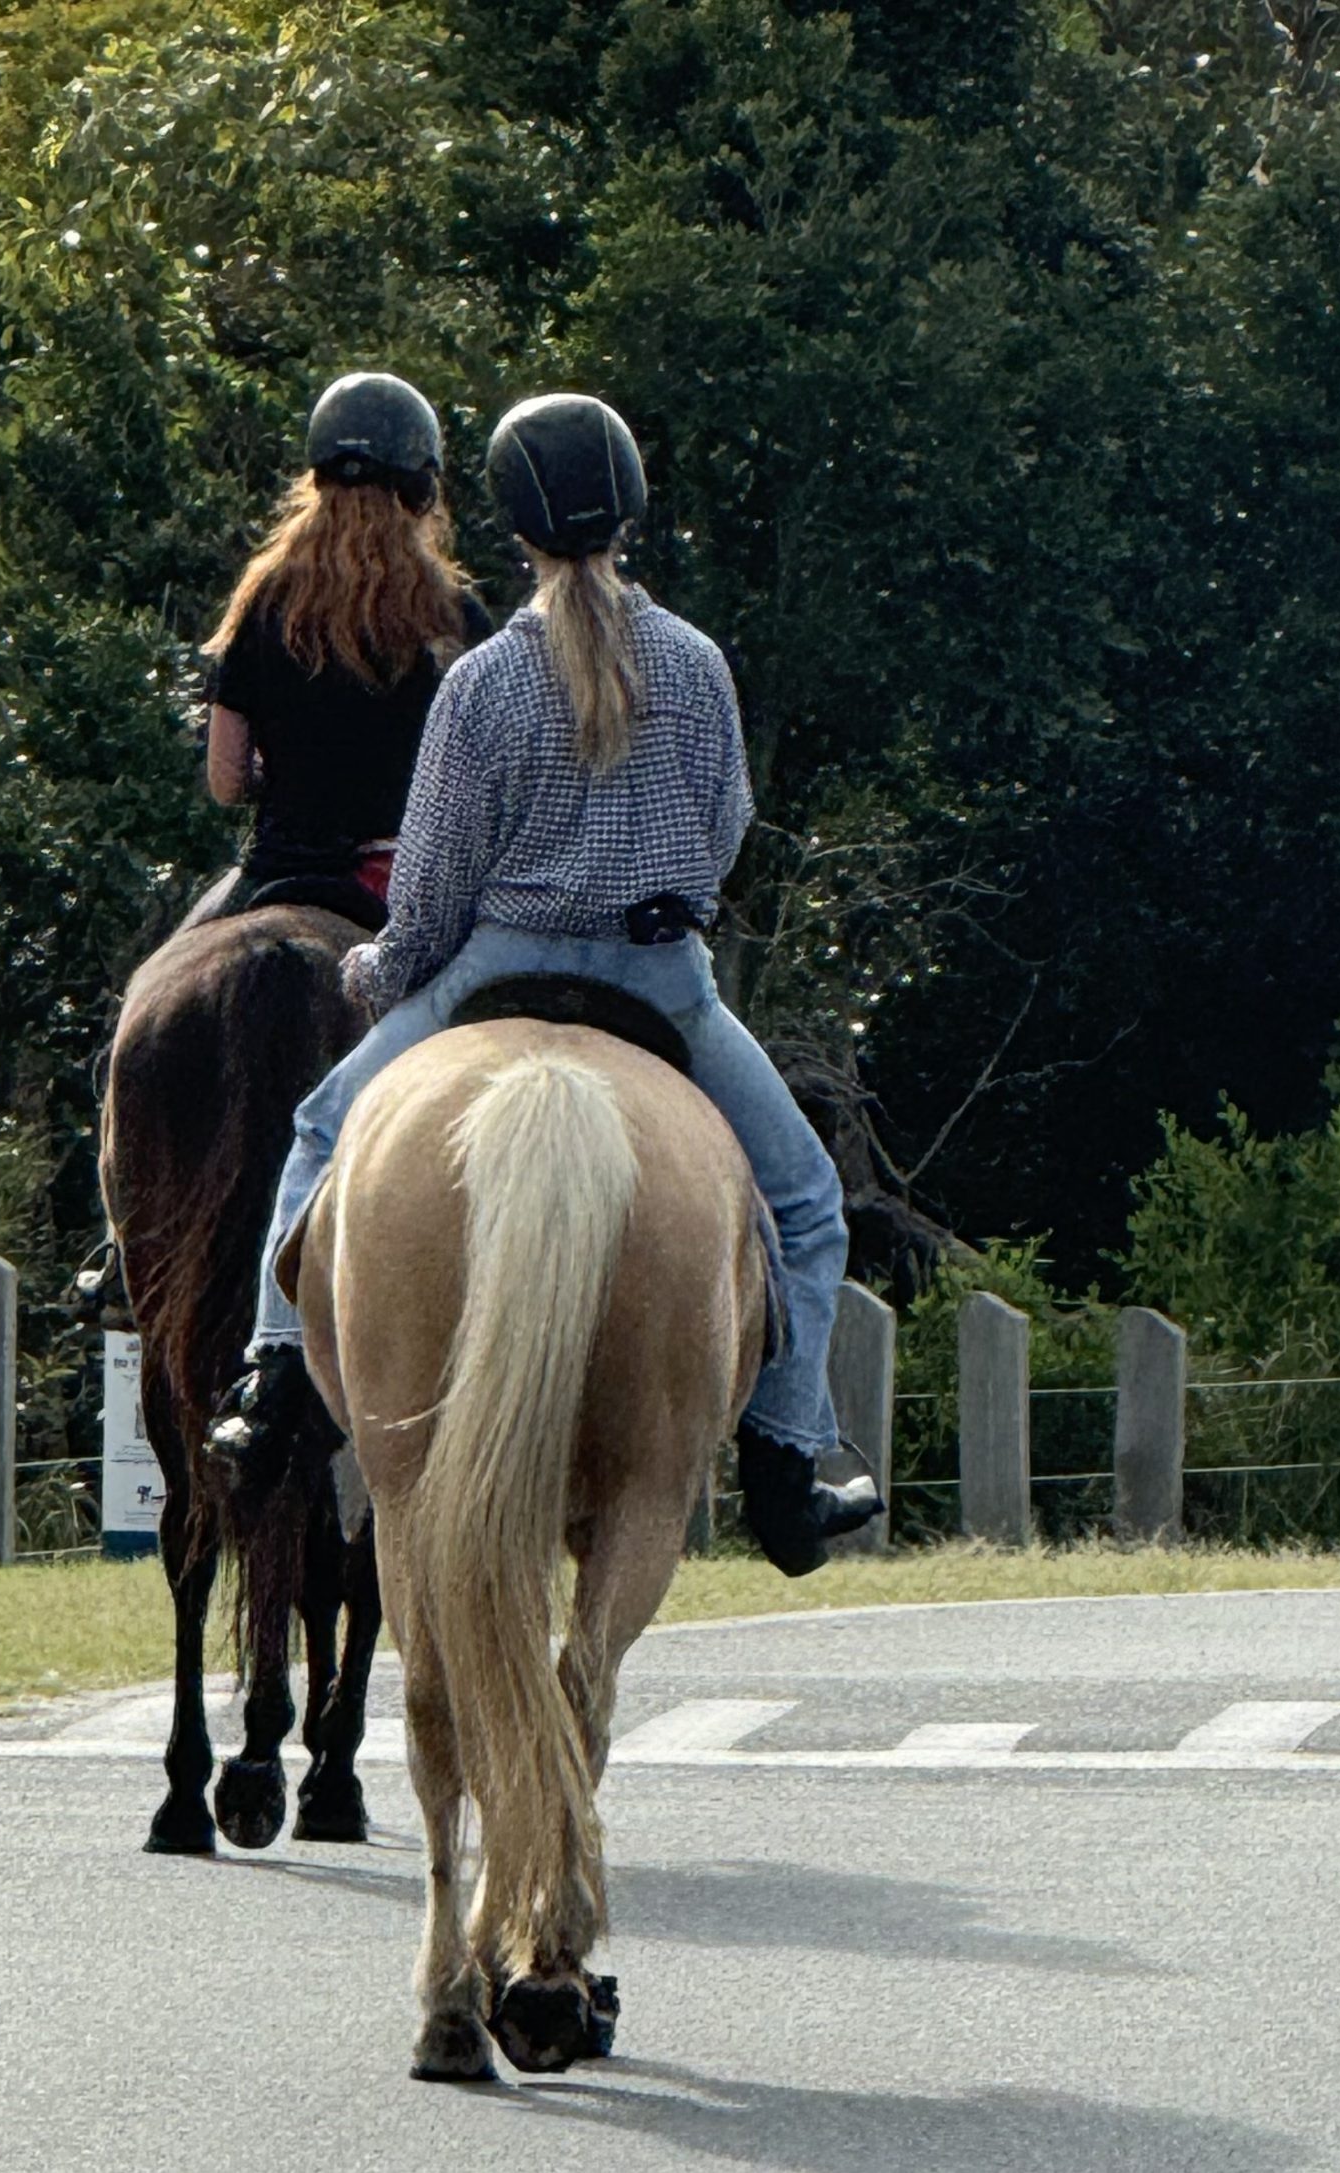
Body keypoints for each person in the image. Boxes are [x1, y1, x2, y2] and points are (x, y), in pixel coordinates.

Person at [211, 391, 881, 1576]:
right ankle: (787, 1458)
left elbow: (429, 888)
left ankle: (270, 1381)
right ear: (627, 511)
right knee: (808, 1201)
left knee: (321, 1130)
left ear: (514, 526)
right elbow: (723, 831)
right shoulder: (695, 663)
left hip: (495, 969)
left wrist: (378, 970)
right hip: (661, 983)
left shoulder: (481, 683)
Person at [200, 371, 493, 910]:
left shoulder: (262, 603)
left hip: (276, 873)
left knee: (163, 975)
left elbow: (225, 780)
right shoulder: (452, 615)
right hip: (409, 883)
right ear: (421, 489)